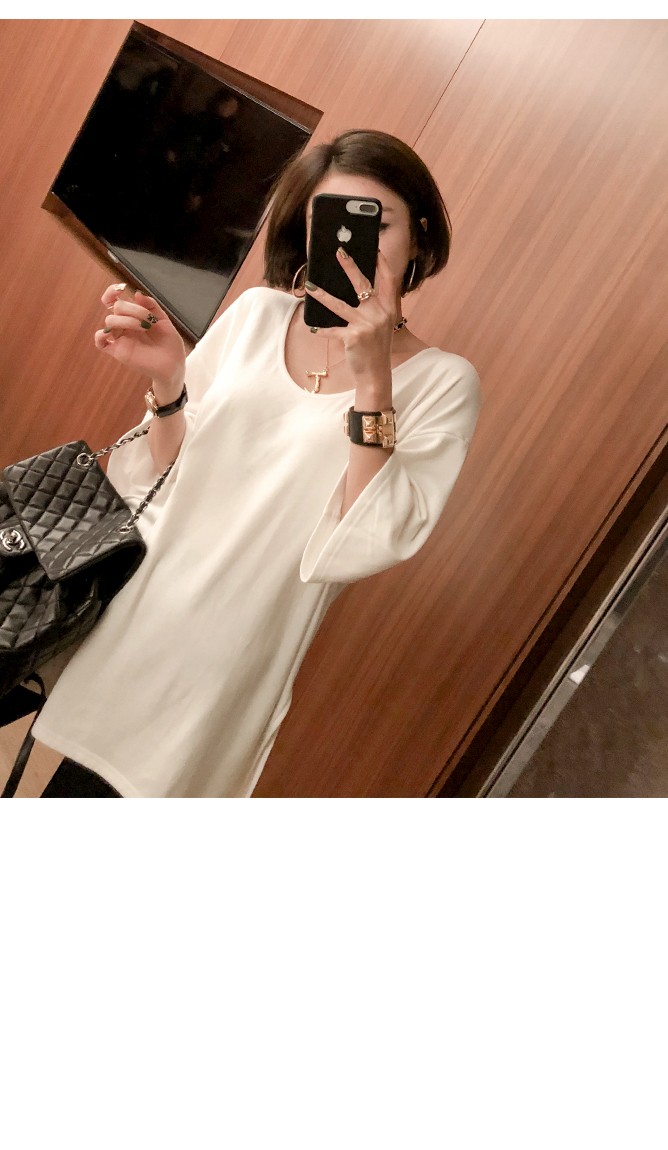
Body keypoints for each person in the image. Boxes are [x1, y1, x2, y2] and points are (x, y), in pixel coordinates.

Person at [35, 128, 482, 798]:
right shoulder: (256, 314)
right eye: (329, 222)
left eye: (375, 223)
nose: (349, 245)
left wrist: (373, 381)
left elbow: (373, 535)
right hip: (135, 606)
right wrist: (168, 381)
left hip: (231, 647)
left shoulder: (444, 382)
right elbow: (166, 473)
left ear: (418, 237)